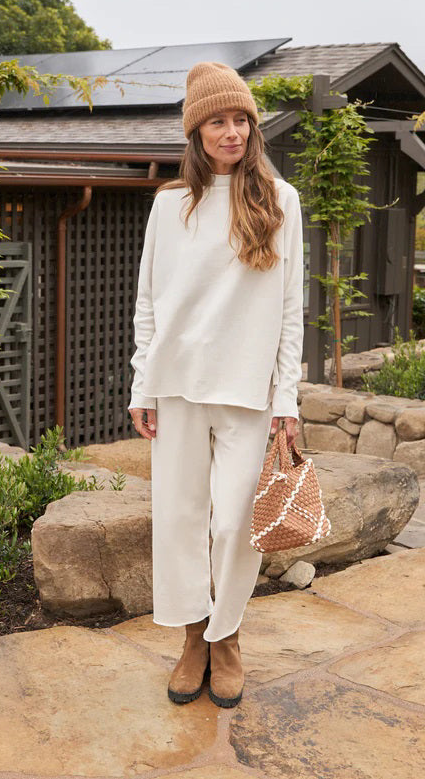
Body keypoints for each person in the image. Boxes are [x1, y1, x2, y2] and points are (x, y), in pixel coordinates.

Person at [127, 61, 304, 708]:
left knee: (233, 523)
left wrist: (286, 399)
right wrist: (142, 385)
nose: (231, 132)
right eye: (217, 121)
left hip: (248, 392)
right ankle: (192, 637)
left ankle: (227, 633)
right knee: (178, 521)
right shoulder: (171, 205)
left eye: (240, 120)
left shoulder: (282, 201)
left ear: (253, 127)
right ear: (196, 132)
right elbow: (148, 303)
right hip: (176, 386)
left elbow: (290, 310)